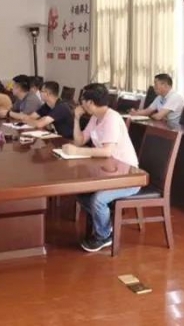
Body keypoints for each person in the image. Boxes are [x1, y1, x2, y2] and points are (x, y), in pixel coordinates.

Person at [63, 83, 140, 252]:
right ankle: (105, 224)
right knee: (82, 194)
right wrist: (76, 119)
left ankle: (104, 236)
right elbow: (79, 141)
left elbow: (106, 151)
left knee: (98, 200)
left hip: (128, 176)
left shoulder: (111, 118)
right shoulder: (95, 117)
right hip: (109, 171)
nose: (80, 103)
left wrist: (77, 152)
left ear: (90, 103)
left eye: (82, 100)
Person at [9, 81, 74, 138]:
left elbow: (39, 124)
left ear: (47, 93)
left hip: (68, 140)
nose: (39, 93)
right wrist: (27, 118)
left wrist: (27, 118)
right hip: (56, 137)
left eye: (41, 91)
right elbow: (31, 117)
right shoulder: (47, 105)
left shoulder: (61, 107)